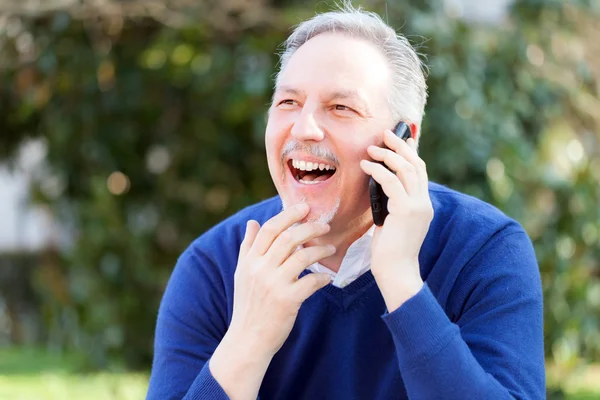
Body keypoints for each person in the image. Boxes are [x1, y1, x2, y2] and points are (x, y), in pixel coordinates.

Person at [146, 3, 545, 400]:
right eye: (288, 103)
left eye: (341, 108)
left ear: (403, 141)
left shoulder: (485, 248)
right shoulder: (214, 266)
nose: (304, 128)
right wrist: (248, 340)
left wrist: (401, 280)